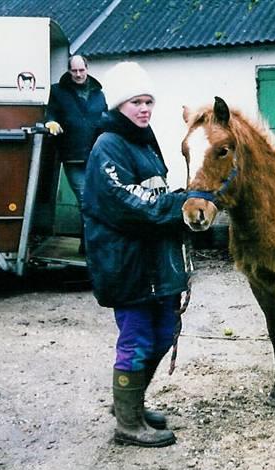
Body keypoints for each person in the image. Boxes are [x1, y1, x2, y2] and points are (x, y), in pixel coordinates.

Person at [82, 61, 188, 448]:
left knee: (163, 334)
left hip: (156, 263)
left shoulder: (144, 140)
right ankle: (127, 423)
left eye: (148, 102)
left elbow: (158, 190)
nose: (144, 109)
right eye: (135, 102)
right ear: (117, 105)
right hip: (126, 263)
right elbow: (128, 202)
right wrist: (181, 206)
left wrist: (180, 203)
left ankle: (132, 403)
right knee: (137, 338)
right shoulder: (107, 145)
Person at [45, 55, 107, 252]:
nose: (78, 74)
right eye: (74, 71)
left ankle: (86, 243)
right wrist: (51, 122)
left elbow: (105, 120)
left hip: (96, 157)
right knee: (84, 199)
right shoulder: (58, 91)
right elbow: (50, 113)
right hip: (72, 157)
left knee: (95, 200)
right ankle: (91, 248)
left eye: (81, 70)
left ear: (87, 69)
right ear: (69, 71)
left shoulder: (99, 93)